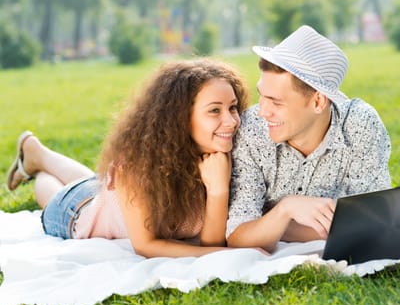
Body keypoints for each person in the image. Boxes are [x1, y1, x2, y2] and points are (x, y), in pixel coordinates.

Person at [6, 59, 249, 258]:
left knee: (97, 185)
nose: (231, 121)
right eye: (214, 110)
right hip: (73, 214)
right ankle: (37, 167)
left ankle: (36, 152)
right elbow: (146, 245)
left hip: (107, 201)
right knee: (58, 197)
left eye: (233, 108)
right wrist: (221, 254)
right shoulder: (139, 167)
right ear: (180, 118)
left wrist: (218, 190)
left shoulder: (222, 157)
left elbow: (210, 241)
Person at [226, 25, 391, 252]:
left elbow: (373, 225)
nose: (263, 111)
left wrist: (270, 221)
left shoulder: (359, 125)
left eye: (276, 101)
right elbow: (238, 236)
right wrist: (286, 209)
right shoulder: (251, 129)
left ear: (318, 102)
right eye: (261, 95)